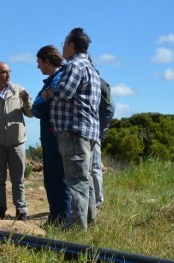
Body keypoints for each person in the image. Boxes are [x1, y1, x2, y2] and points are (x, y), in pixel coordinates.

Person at [44, 28, 101, 230]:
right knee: (85, 180)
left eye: (64, 43)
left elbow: (65, 92)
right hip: (88, 132)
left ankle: (76, 228)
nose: (61, 47)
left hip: (74, 131)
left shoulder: (75, 66)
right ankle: (90, 221)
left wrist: (50, 92)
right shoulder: (91, 68)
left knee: (76, 180)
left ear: (71, 46)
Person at [0, 62, 34, 221]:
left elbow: (31, 113)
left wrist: (26, 101)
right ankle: (0, 210)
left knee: (18, 179)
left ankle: (21, 210)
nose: (8, 75)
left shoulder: (19, 90)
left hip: (17, 142)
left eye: (9, 71)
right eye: (4, 72)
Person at [32, 45, 72, 226]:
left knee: (59, 180)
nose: (38, 67)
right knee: (51, 178)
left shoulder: (58, 80)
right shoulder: (52, 81)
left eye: (39, 62)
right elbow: (36, 106)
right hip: (51, 137)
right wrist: (42, 99)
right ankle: (55, 217)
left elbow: (39, 107)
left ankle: (63, 219)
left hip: (56, 136)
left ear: (47, 61)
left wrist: (42, 100)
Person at [91, 77, 115, 208]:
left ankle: (98, 202)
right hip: (88, 132)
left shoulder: (98, 82)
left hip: (93, 133)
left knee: (94, 167)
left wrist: (98, 132)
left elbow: (109, 109)